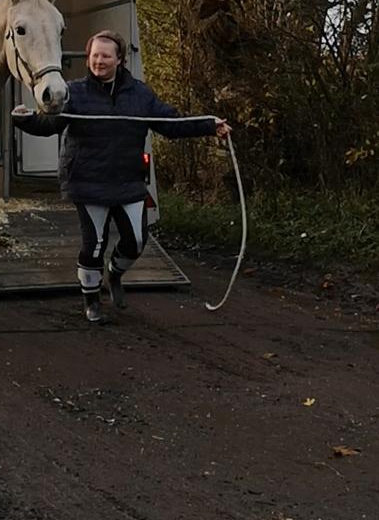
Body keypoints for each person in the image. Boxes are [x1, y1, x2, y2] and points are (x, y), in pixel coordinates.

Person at [13, 30, 231, 323]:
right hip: (88, 181)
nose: (98, 62)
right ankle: (91, 301)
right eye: (94, 56)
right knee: (94, 245)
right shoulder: (73, 92)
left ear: (119, 59)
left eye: (105, 56)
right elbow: (48, 124)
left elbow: (172, 123)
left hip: (128, 181)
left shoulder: (140, 94)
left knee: (137, 241)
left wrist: (209, 124)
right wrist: (23, 119)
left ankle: (114, 275)